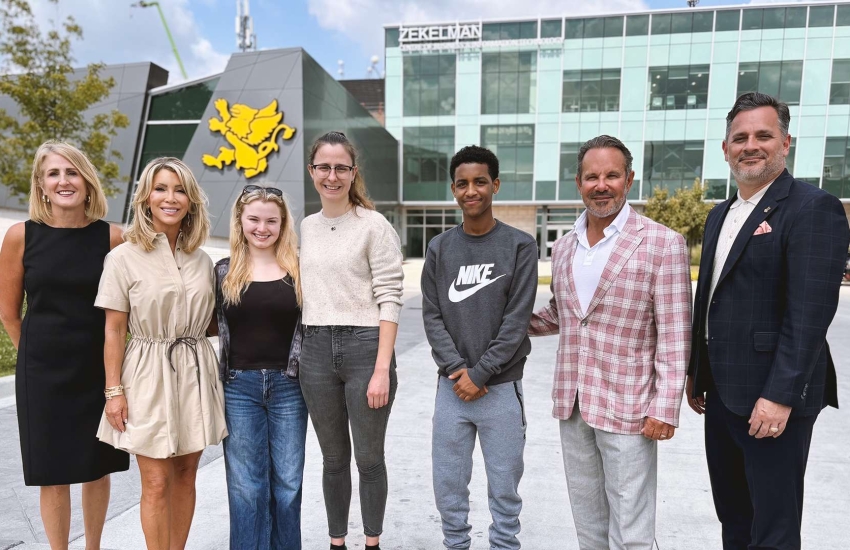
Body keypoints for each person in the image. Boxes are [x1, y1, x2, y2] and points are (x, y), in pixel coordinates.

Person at [687, 92, 850, 550]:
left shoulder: (813, 208)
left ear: (785, 142)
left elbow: (810, 315)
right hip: (721, 394)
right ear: (725, 149)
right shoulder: (720, 214)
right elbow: (711, 299)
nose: (750, 145)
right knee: (734, 519)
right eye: (739, 138)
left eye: (763, 135)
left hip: (772, 401)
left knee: (774, 530)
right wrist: (697, 373)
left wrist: (779, 397)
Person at [529, 135, 692, 550]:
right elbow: (563, 315)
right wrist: (496, 321)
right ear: (578, 183)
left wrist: (665, 406)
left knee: (632, 529)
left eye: (612, 175)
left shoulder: (662, 243)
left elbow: (675, 332)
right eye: (592, 177)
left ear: (629, 179)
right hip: (574, 401)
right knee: (588, 522)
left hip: (631, 406)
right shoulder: (564, 245)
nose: (602, 185)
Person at [0, 141, 129, 550]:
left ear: (87, 182)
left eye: (71, 172)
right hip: (42, 374)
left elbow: (125, 313)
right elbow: (8, 312)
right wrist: (33, 359)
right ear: (40, 184)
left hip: (97, 372)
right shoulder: (21, 236)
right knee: (51, 473)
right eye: (53, 174)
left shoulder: (113, 238)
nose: (63, 181)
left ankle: (92, 547)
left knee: (97, 469)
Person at [95, 157, 226, 550]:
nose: (171, 198)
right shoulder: (122, 256)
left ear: (192, 201)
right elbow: (114, 328)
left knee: (187, 475)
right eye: (161, 189)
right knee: (155, 481)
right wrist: (113, 391)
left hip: (196, 369)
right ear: (145, 198)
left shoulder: (203, 259)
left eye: (180, 189)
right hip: (146, 374)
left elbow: (214, 323)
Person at [422, 145, 538, 550]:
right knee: (448, 487)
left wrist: (481, 373)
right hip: (451, 389)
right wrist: (459, 369)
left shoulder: (520, 246)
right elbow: (432, 316)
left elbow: (516, 320)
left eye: (480, 182)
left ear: (495, 185)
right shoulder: (439, 248)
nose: (471, 190)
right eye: (462, 183)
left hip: (501, 389)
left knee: (505, 488)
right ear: (453, 189)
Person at [299, 131, 404, 550]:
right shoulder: (305, 227)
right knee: (333, 460)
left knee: (368, 459)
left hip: (366, 349)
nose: (332, 175)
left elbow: (390, 296)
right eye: (324, 167)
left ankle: (372, 542)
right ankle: (337, 542)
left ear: (353, 172)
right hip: (316, 351)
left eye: (341, 167)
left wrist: (382, 369)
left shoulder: (373, 225)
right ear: (312, 172)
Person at [213, 184, 308, 549]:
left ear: (283, 224)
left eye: (272, 220)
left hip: (290, 386)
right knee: (245, 486)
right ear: (240, 220)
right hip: (239, 387)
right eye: (254, 219)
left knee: (287, 484)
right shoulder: (224, 271)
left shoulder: (299, 268)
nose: (262, 228)